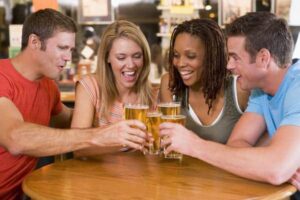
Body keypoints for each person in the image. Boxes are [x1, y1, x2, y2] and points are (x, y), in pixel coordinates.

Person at [0, 9, 147, 199]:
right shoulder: (3, 78)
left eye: (70, 50)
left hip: (21, 193)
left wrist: (109, 109)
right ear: (35, 42)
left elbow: (70, 119)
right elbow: (15, 138)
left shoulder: (48, 86)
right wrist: (99, 136)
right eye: (62, 48)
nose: (68, 58)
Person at [160, 12, 300, 190]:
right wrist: (268, 165)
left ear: (263, 58)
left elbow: (275, 170)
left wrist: (194, 145)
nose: (228, 65)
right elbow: (236, 143)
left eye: (235, 57)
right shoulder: (260, 90)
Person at [71, 20, 157, 157]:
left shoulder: (154, 95)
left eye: (137, 56)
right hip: (97, 176)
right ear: (107, 57)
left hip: (141, 176)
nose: (130, 65)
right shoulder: (90, 87)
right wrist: (124, 143)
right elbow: (78, 148)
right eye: (121, 57)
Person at [159, 18, 249, 143]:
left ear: (212, 56)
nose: (180, 63)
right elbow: (166, 140)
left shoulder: (240, 89)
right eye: (176, 55)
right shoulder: (169, 84)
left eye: (191, 56)